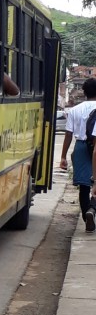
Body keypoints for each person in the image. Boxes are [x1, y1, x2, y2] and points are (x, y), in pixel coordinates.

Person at [60, 77, 96, 233]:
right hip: (95, 145)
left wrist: (63, 157)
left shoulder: (75, 110)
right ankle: (92, 211)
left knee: (84, 186)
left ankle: (86, 214)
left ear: (84, 92)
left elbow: (68, 134)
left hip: (81, 146)